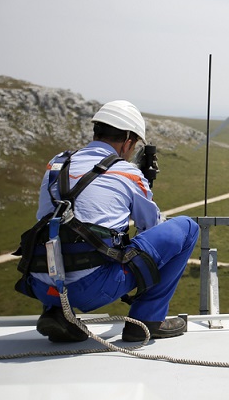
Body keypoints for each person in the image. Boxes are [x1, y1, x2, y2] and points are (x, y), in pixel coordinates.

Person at [14, 100, 199, 342]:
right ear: (128, 142)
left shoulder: (57, 164)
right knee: (187, 228)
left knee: (58, 230)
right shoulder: (127, 172)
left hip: (41, 285)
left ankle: (57, 314)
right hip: (92, 289)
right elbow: (151, 228)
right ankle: (146, 321)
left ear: (97, 131)